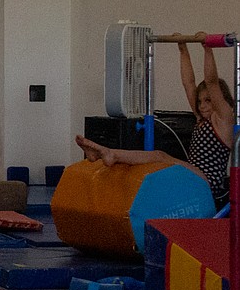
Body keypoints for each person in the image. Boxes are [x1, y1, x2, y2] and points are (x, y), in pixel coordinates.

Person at [76, 33, 235, 208]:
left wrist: (208, 48)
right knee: (158, 167)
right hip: (192, 175)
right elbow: (188, 83)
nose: (202, 106)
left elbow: (211, 82)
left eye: (208, 100)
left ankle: (111, 153)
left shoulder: (223, 119)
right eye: (199, 101)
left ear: (220, 98)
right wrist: (182, 48)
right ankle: (106, 153)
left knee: (160, 156)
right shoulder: (201, 118)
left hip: (208, 184)